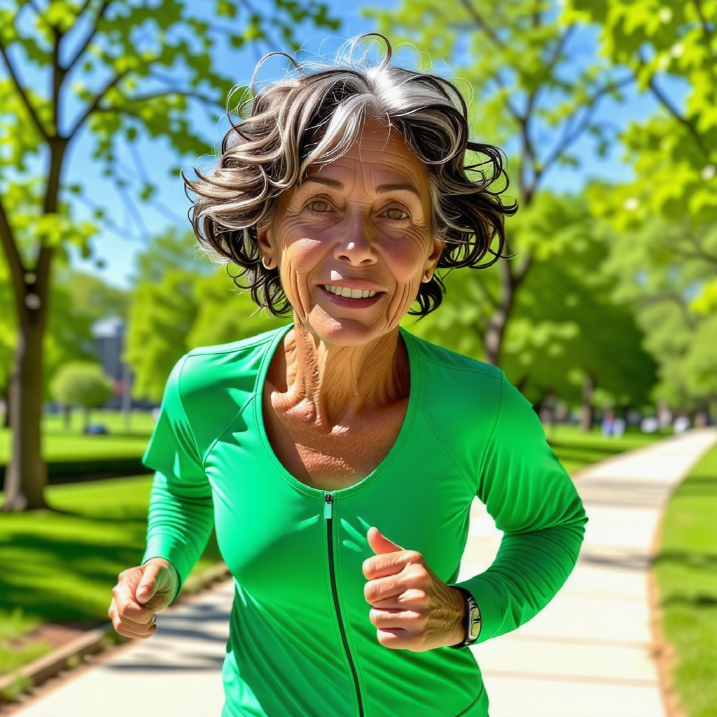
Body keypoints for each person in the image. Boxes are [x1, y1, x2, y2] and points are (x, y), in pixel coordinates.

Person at [108, 35, 588, 717]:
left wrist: (467, 613)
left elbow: (552, 525)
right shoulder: (203, 390)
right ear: (268, 235)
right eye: (320, 205)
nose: (356, 247)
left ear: (430, 254)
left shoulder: (476, 405)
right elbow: (184, 488)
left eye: (394, 212)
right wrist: (163, 561)